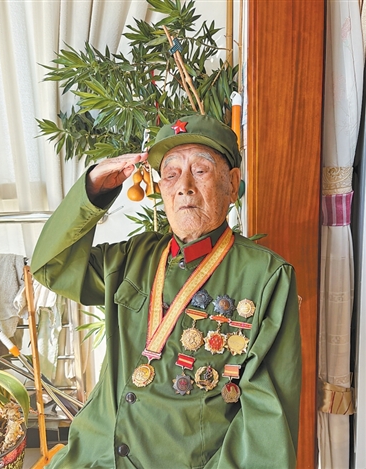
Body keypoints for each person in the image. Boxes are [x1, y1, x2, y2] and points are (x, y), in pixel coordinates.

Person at [31, 114, 302, 469]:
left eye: (200, 170)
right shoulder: (134, 256)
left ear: (232, 183)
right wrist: (94, 191)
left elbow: (266, 427)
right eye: (171, 174)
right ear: (162, 190)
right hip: (90, 457)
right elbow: (52, 267)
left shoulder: (265, 276)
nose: (184, 186)